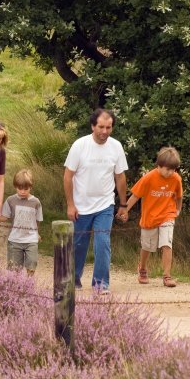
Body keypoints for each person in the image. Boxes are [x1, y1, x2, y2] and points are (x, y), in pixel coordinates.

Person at [64, 108, 128, 294]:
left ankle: (100, 284)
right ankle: (73, 278)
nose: (104, 131)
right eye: (101, 127)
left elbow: (120, 177)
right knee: (78, 244)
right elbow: (68, 177)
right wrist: (70, 204)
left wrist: (123, 205)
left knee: (102, 242)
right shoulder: (80, 145)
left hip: (105, 204)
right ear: (93, 126)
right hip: (81, 204)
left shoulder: (116, 147)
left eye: (108, 127)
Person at [117, 146, 183, 288]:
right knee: (147, 246)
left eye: (173, 169)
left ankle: (167, 276)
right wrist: (125, 210)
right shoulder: (148, 178)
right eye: (167, 169)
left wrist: (178, 209)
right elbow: (135, 195)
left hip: (167, 215)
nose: (171, 172)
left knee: (167, 244)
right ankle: (142, 268)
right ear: (158, 166)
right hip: (150, 217)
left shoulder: (176, 178)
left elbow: (179, 196)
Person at [0, 169, 43, 276]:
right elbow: (5, 216)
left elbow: (38, 220)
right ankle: (16, 288)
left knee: (32, 264)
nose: (22, 191)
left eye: (26, 189)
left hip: (31, 239)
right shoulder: (10, 200)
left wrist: (37, 233)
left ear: (31, 187)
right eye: (20, 188)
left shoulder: (36, 202)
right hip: (15, 240)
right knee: (14, 268)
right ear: (15, 186)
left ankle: (28, 286)